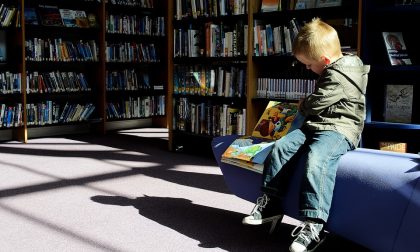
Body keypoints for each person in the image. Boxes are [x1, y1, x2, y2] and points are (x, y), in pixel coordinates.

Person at [242, 18, 370, 252]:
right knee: (281, 147)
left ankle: (314, 224)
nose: (308, 70)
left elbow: (317, 102)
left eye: (309, 65)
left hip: (340, 129)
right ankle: (271, 204)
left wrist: (302, 104)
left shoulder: (343, 74)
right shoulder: (332, 67)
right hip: (317, 124)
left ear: (324, 60)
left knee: (317, 159)